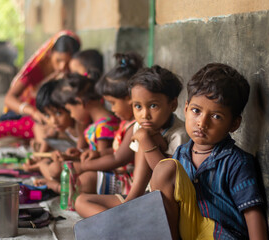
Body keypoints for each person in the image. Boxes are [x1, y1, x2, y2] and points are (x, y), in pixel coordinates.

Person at [150, 63, 268, 240]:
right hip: (188, 231)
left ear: (234, 124)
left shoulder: (236, 162)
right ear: (186, 108)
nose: (202, 123)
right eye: (196, 111)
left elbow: (252, 214)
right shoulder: (181, 154)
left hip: (220, 235)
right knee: (165, 168)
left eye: (216, 116)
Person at [75, 65, 189, 217]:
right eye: (138, 106)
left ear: (173, 105)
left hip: (165, 204)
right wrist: (131, 200)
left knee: (145, 139)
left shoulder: (180, 135)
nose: (144, 115)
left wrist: (146, 141)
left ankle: (124, 217)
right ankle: (122, 220)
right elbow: (139, 178)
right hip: (139, 195)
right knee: (81, 201)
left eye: (153, 106)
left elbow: (168, 180)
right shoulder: (139, 127)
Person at [0, 30, 80, 148]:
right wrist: (34, 112)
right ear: (51, 52)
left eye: (67, 62)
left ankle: (36, 140)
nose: (62, 66)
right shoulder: (35, 70)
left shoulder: (72, 73)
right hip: (34, 117)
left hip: (55, 121)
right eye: (59, 60)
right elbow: (9, 98)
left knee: (46, 131)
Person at [33, 73, 120, 193]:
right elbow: (96, 154)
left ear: (80, 102)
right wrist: (77, 155)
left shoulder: (104, 125)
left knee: (69, 175)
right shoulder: (96, 125)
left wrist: (79, 165)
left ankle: (58, 187)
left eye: (70, 110)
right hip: (94, 169)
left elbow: (104, 162)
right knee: (56, 168)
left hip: (105, 175)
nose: (72, 115)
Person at [76, 52, 143, 196]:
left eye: (113, 103)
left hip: (132, 185)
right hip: (120, 174)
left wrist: (84, 166)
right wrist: (97, 153)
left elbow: (118, 158)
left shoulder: (135, 127)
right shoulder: (125, 122)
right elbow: (114, 152)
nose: (111, 109)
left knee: (85, 181)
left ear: (129, 99)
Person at [22, 80, 87, 172]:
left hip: (82, 163)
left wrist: (40, 164)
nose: (53, 121)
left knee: (55, 168)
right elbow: (47, 139)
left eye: (58, 113)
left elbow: (78, 155)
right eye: (47, 116)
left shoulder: (80, 125)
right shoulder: (58, 127)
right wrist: (36, 159)